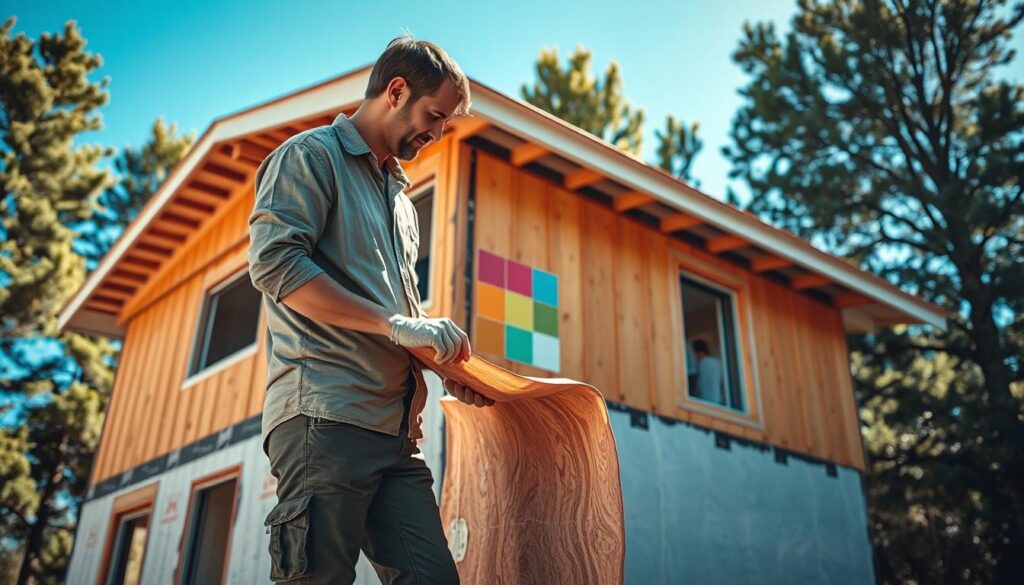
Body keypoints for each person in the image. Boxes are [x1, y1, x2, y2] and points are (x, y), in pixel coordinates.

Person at [248, 35, 493, 585]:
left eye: (445, 123)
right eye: (434, 116)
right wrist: (396, 324)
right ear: (396, 90)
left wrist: (450, 370)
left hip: (397, 435)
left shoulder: (401, 204)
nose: (436, 133)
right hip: (325, 421)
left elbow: (396, 319)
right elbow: (276, 267)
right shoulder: (309, 157)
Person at [691, 339, 725, 405]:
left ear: (697, 352)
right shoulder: (717, 362)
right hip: (718, 401)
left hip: (704, 402)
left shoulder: (699, 365)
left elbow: (698, 387)